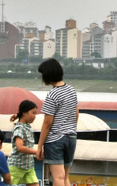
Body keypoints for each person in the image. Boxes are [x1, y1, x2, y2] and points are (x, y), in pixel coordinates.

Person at [36, 58, 79, 186]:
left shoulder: (52, 94)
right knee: (65, 177)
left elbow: (47, 123)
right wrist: (69, 129)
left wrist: (39, 145)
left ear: (47, 75)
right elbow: (76, 114)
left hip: (55, 139)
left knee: (58, 177)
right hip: (71, 137)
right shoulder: (71, 90)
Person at [8, 100, 39, 186]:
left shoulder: (28, 126)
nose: (35, 116)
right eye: (33, 113)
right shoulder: (19, 128)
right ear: (24, 113)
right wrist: (37, 152)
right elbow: (20, 147)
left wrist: (17, 115)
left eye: (35, 113)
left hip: (29, 166)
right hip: (16, 166)